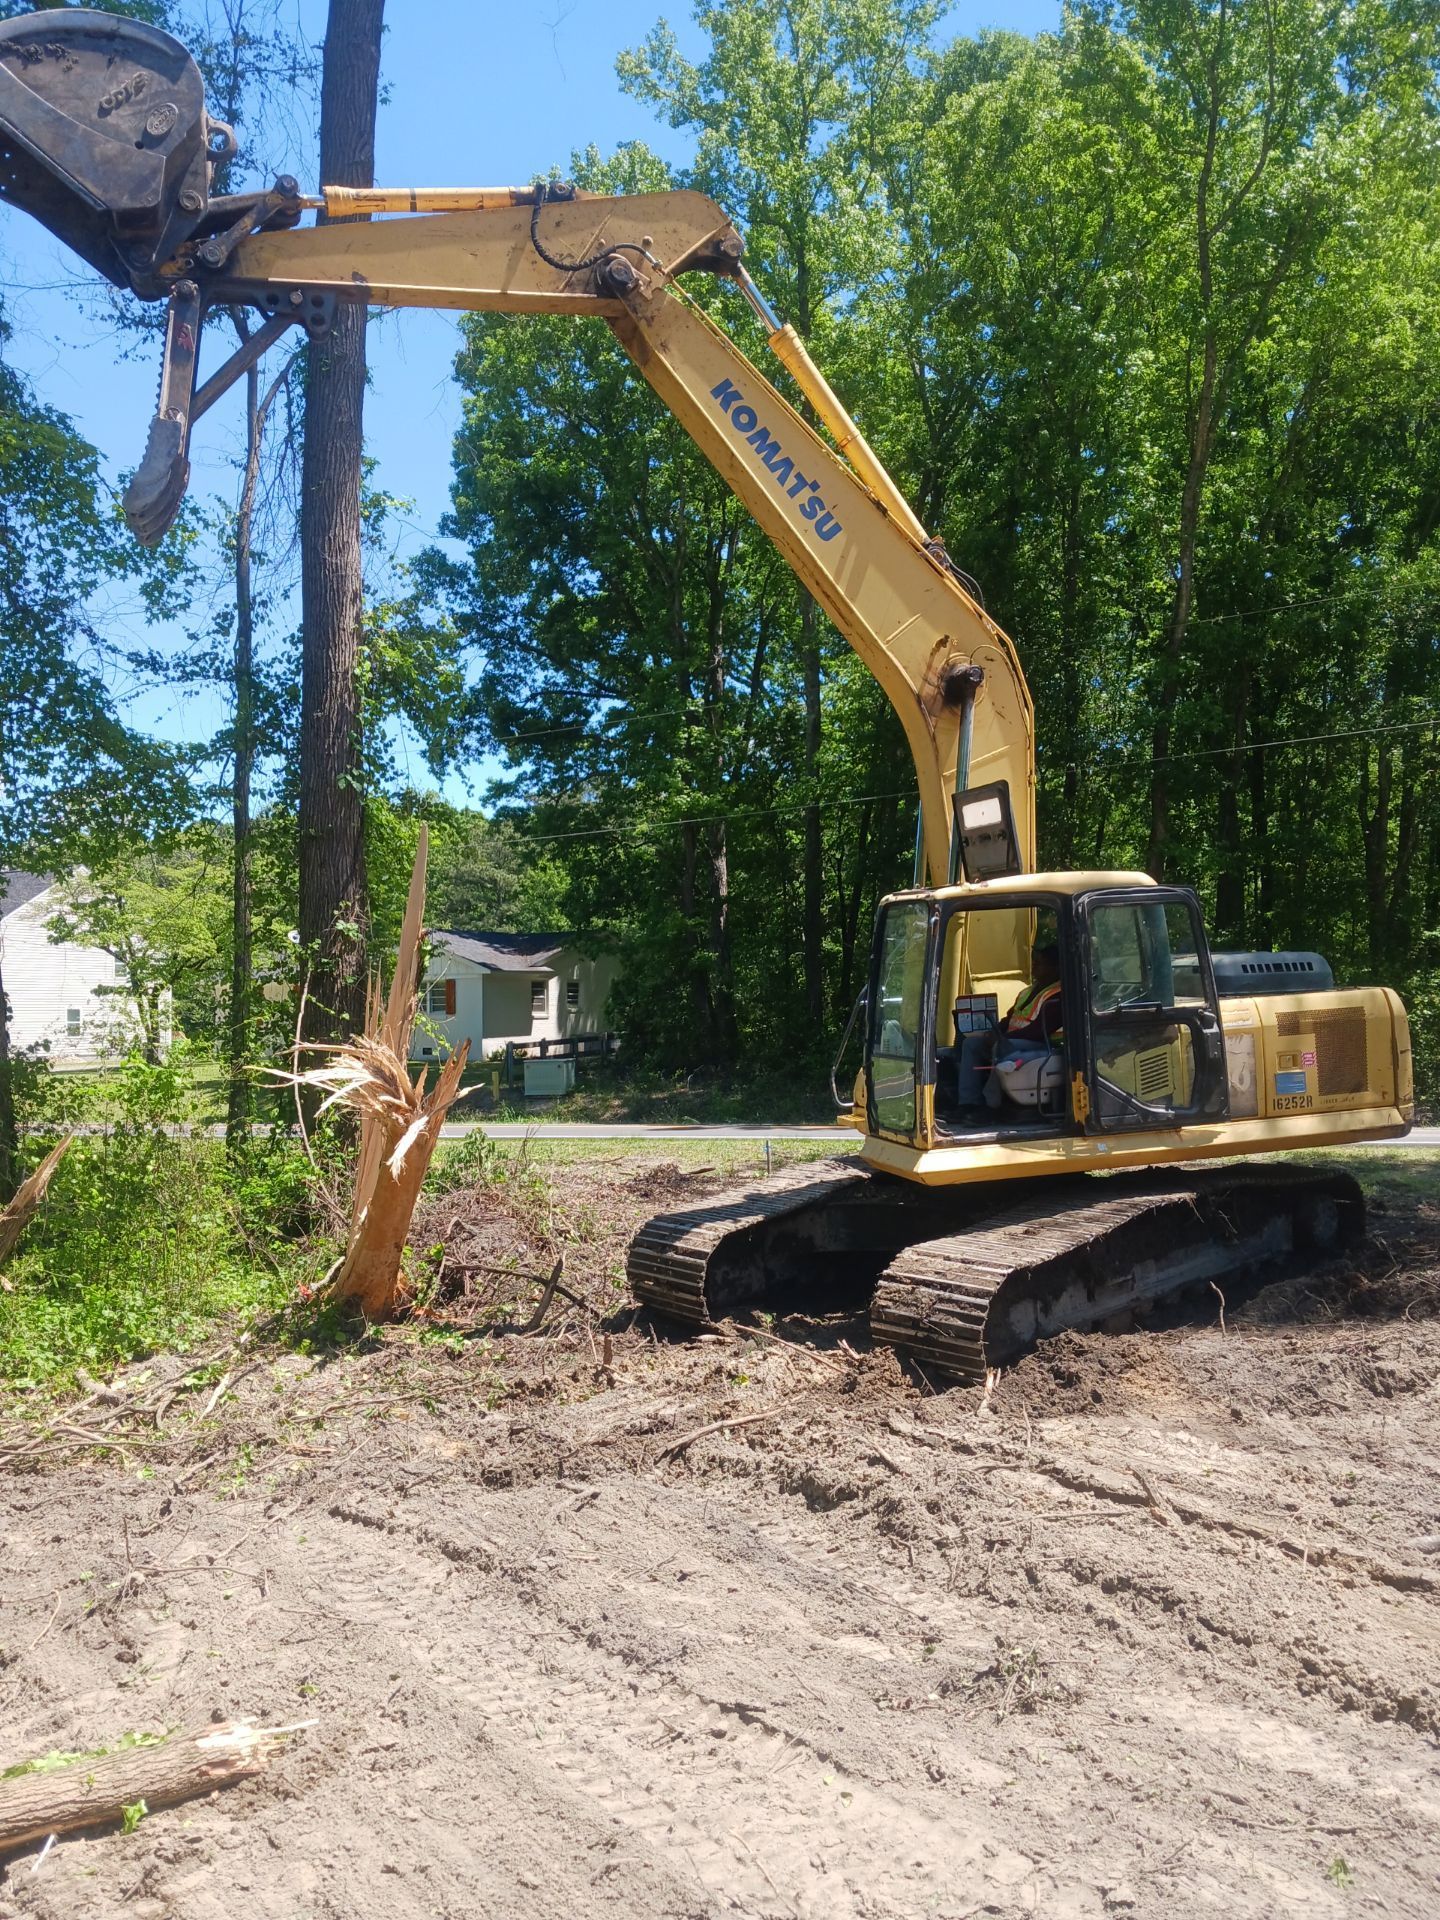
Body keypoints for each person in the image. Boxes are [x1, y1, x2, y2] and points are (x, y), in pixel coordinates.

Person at [952, 934, 1064, 1117]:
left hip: (1043, 1045)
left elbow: (1037, 1031)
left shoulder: (1057, 995)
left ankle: (991, 1106)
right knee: (971, 1044)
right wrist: (993, 1031)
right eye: (1034, 962)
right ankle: (968, 1102)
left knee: (999, 1047)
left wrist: (1002, 1038)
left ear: (1055, 969)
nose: (1034, 967)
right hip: (1015, 1041)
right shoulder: (1027, 991)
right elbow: (1010, 1018)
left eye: (1040, 963)